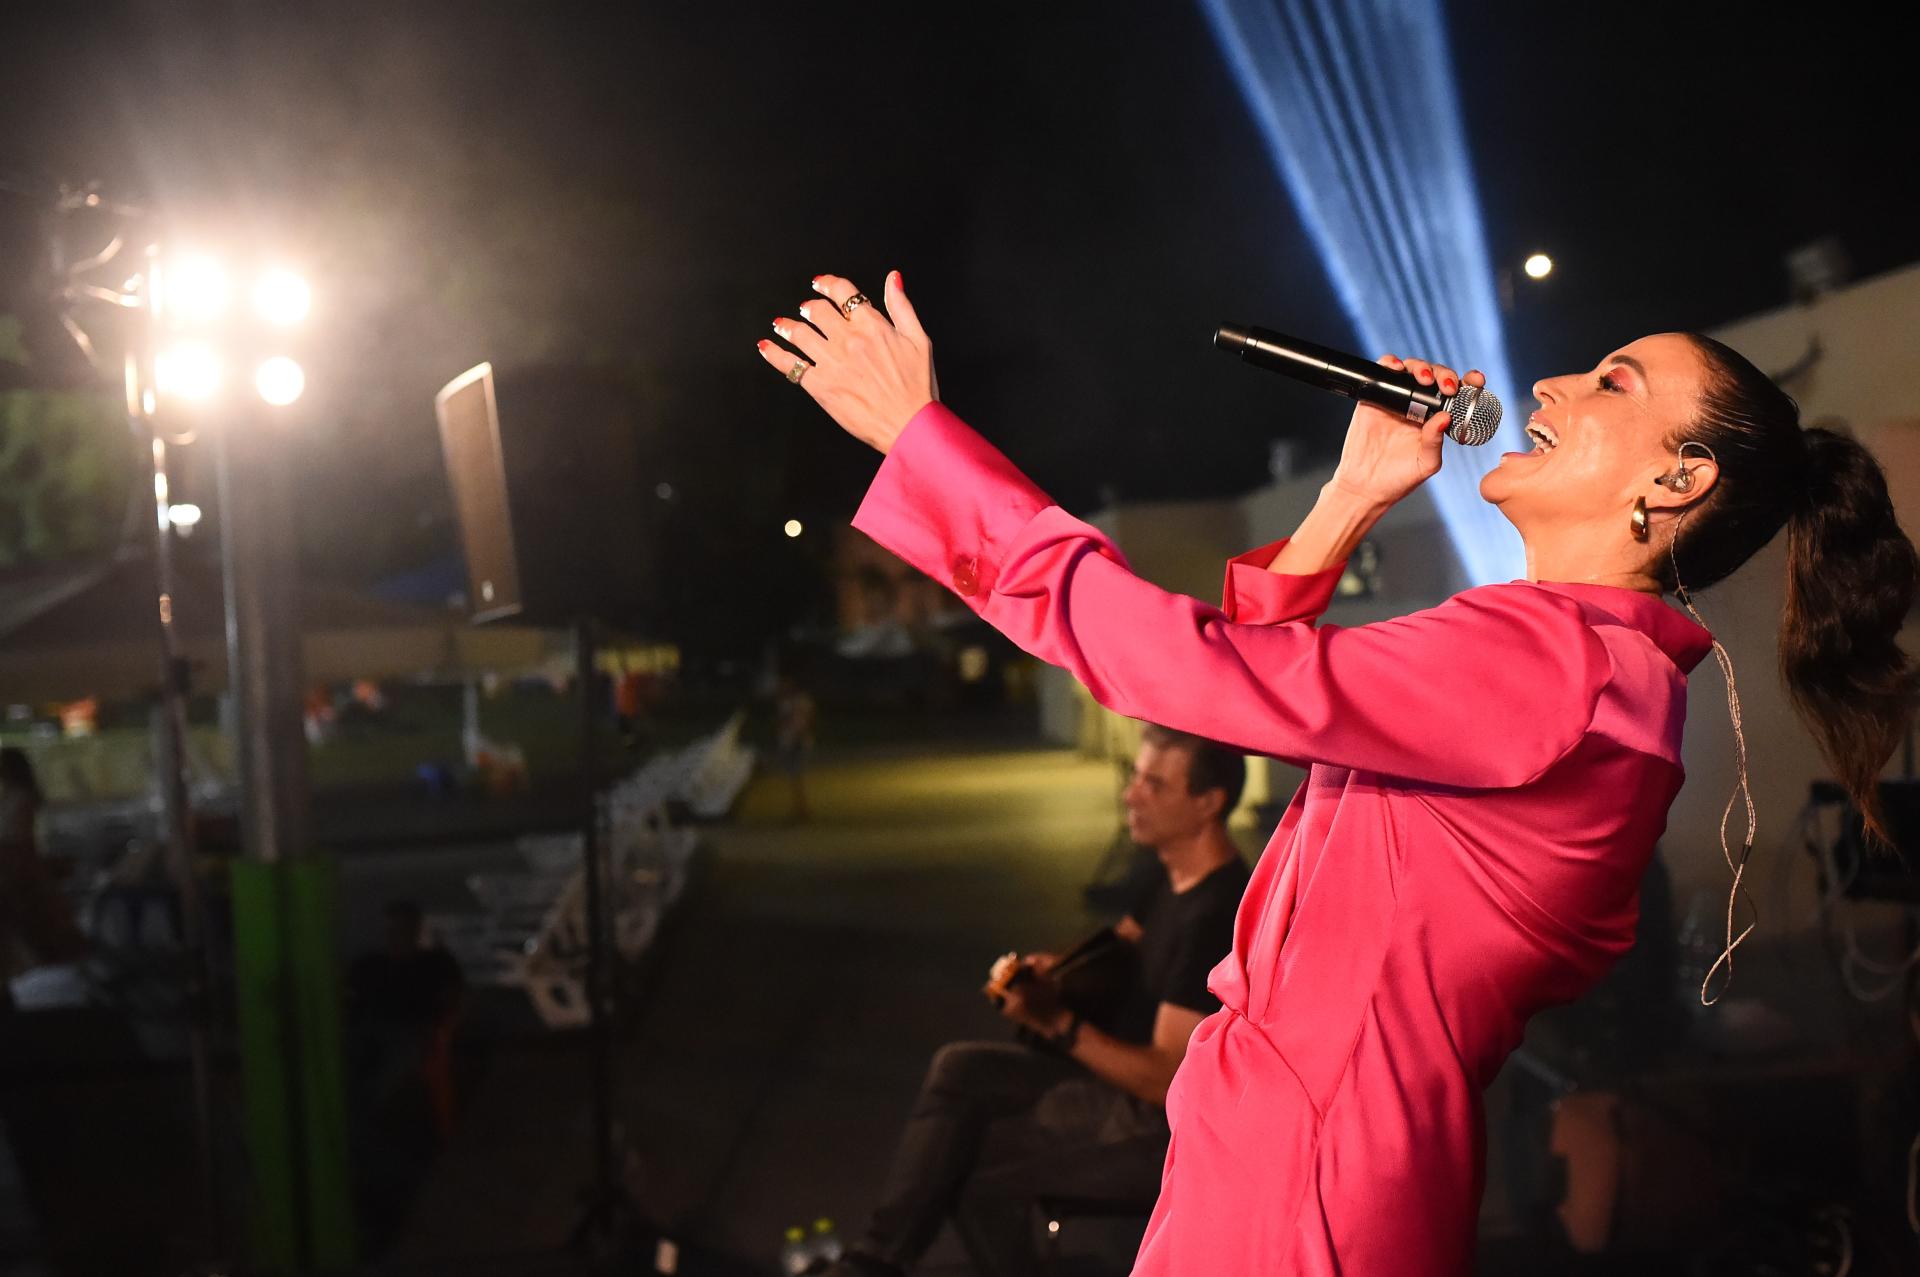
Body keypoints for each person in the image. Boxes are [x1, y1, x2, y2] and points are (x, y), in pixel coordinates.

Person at [755, 272, 1918, 1275]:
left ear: (1677, 480)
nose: (1554, 385)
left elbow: (1188, 672)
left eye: (1614, 383)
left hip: (1309, 1165)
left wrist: (924, 442)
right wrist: (1352, 492)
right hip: (1299, 1144)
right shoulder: (1590, 668)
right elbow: (1249, 687)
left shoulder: (1559, 663)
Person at [824, 726, 1251, 1277]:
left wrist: (1055, 1021)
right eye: (1136, 777)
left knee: (971, 1170)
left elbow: (1164, 1081)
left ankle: (873, 1264)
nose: (1131, 795)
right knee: (960, 1068)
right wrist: (1057, 973)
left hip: (1155, 1127)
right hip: (1109, 1079)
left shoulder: (1215, 914)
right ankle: (873, 1259)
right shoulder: (1167, 875)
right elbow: (1121, 946)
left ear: (1209, 803)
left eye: (1155, 785)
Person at [0, 747, 85, 1011]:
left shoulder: (20, 799)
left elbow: (19, 839)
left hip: (18, 868)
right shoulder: (15, 797)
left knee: (24, 919)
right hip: (17, 867)